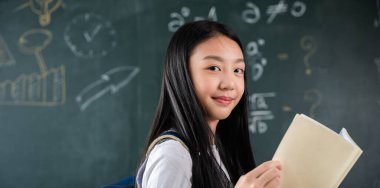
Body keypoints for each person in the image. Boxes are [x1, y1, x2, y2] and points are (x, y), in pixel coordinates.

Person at [136, 20, 282, 188]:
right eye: (213, 68)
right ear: (181, 73)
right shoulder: (173, 155)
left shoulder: (218, 149)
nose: (229, 84)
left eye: (237, 70)